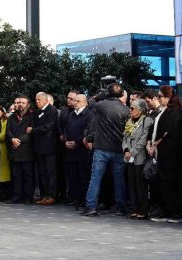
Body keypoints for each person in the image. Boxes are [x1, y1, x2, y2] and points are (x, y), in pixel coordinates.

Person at [81, 83, 130, 217]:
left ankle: (91, 207)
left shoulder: (101, 105)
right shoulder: (126, 109)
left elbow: (90, 101)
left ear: (108, 93)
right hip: (119, 148)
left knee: (96, 178)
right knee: (119, 179)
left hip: (102, 148)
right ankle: (121, 207)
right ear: (121, 94)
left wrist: (99, 95)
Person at [147, 86, 181, 223]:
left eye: (160, 96)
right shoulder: (163, 111)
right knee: (163, 182)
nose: (158, 98)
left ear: (168, 97)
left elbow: (168, 132)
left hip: (171, 153)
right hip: (162, 152)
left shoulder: (174, 112)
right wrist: (151, 143)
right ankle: (167, 209)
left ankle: (173, 211)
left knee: (169, 182)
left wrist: (155, 143)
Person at [122, 99, 153, 220]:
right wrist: (126, 150)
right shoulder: (129, 121)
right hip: (128, 157)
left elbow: (143, 140)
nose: (130, 110)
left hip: (139, 157)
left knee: (141, 185)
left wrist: (132, 152)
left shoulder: (147, 121)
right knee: (132, 184)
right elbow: (125, 138)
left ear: (140, 110)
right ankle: (135, 209)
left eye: (132, 108)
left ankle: (143, 210)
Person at [62, 94, 94, 211]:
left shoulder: (89, 115)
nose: (75, 103)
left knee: (82, 176)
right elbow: (66, 129)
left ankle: (82, 199)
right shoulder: (71, 114)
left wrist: (76, 142)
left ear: (85, 103)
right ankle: (75, 198)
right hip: (70, 150)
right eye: (74, 100)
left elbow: (88, 131)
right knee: (72, 176)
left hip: (81, 150)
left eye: (77, 101)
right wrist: (66, 141)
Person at [29, 92, 59, 205]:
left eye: (39, 99)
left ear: (46, 100)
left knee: (50, 172)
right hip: (39, 147)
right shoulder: (38, 112)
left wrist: (33, 130)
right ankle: (45, 194)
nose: (37, 101)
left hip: (49, 147)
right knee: (42, 172)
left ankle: (52, 195)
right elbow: (33, 124)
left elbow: (48, 126)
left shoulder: (51, 110)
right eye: (36, 100)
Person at [6, 96, 35, 204]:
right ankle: (16, 196)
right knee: (16, 175)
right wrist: (12, 139)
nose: (20, 105)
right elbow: (8, 130)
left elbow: (30, 133)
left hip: (26, 150)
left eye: (23, 103)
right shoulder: (12, 117)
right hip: (14, 150)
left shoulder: (32, 116)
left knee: (28, 175)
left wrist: (18, 141)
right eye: (19, 103)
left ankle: (28, 197)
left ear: (27, 104)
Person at [0, 105, 11, 201]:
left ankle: (5, 193)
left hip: (3, 148)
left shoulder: (5, 121)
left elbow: (3, 135)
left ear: (2, 112)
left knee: (4, 171)